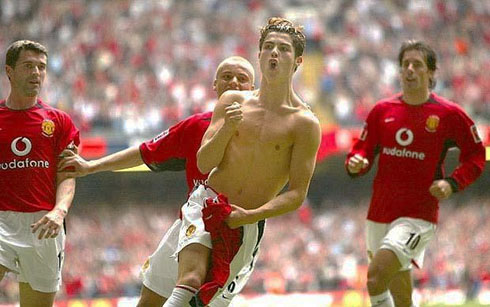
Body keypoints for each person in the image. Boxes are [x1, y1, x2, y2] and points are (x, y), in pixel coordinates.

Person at [58, 56, 256, 306]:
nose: (234, 82)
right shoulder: (196, 126)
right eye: (227, 76)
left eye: (242, 78)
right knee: (150, 298)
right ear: (214, 84)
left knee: (201, 298)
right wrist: (92, 166)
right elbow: (145, 151)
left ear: (253, 88)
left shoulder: (264, 134)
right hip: (194, 219)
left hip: (233, 227)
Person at [159, 17, 321, 307]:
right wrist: (226, 129)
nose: (274, 53)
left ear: (297, 61)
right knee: (191, 280)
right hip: (207, 204)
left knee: (207, 302)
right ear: (258, 56)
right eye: (268, 46)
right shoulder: (232, 101)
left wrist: (247, 216)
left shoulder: (305, 124)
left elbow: (297, 194)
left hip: (246, 222)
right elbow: (205, 162)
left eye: (283, 49)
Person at [346, 40, 485, 307]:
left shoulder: (448, 115)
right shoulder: (382, 111)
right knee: (400, 294)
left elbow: (478, 154)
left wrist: (453, 183)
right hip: (379, 213)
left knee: (375, 279)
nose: (409, 69)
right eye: (405, 64)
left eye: (417, 64)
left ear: (431, 73)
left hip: (418, 215)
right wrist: (356, 162)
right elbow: (362, 151)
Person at [0, 40, 80, 307]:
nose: (36, 73)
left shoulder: (59, 121)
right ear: (9, 71)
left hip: (44, 225)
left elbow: (67, 175)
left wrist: (60, 210)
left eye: (41, 67)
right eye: (28, 66)